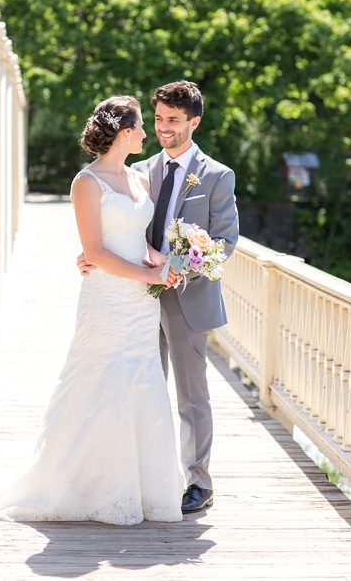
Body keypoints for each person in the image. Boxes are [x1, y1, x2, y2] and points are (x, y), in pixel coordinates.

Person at [0, 96, 183, 525]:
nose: (148, 133)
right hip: (107, 298)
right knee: (100, 378)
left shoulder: (137, 179)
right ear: (125, 132)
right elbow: (94, 250)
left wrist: (159, 262)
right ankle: (86, 486)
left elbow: (135, 238)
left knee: (143, 380)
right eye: (141, 126)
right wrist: (147, 276)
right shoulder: (86, 183)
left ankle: (146, 489)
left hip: (139, 303)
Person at [80, 81, 240, 513]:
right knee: (144, 389)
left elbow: (225, 240)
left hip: (189, 297)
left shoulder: (217, 175)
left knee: (192, 395)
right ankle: (146, 477)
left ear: (194, 122)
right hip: (137, 296)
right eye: (158, 119)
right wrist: (92, 253)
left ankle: (198, 483)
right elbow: (121, 224)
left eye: (173, 120)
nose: (164, 127)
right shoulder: (139, 169)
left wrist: (180, 269)